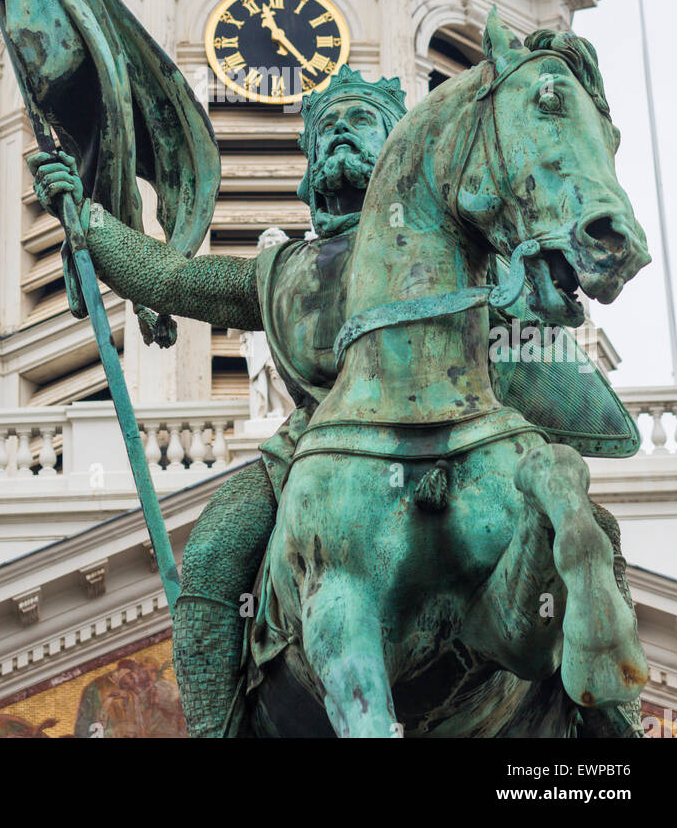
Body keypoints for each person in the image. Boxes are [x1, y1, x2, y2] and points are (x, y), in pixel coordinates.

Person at [30, 65, 407, 736]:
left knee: (581, 533)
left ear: (403, 147)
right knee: (208, 561)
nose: (344, 138)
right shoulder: (281, 271)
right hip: (311, 449)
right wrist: (87, 216)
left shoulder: (455, 253)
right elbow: (170, 277)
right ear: (311, 164)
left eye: (361, 123)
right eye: (329, 130)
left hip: (449, 432)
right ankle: (216, 726)